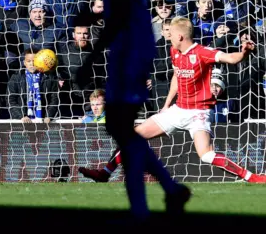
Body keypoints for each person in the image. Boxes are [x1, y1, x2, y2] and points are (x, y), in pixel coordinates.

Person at [74, 0, 188, 221]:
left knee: (121, 126)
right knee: (121, 127)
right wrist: (95, 18)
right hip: (134, 46)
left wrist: (92, 55)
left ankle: (143, 206)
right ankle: (168, 189)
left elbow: (122, 10)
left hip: (130, 50)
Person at [79, 18, 266, 184]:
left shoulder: (202, 52)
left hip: (198, 113)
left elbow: (230, 58)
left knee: (207, 155)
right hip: (178, 109)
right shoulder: (174, 52)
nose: (169, 37)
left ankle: (252, 177)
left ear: (181, 36)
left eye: (172, 34)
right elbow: (177, 77)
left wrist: (243, 53)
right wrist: (167, 105)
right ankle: (104, 174)